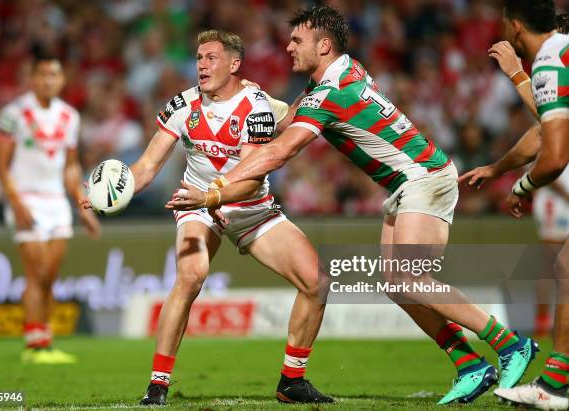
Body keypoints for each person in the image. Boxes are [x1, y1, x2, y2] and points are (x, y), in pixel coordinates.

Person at [169, 6, 539, 405]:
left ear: (323, 45)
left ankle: (510, 344)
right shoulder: (343, 73)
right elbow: (283, 120)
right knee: (400, 287)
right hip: (406, 182)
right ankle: (469, 364)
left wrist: (217, 189)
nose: (289, 47)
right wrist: (247, 98)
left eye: (298, 41)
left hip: (425, 177)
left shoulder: (329, 93)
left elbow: (279, 150)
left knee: (410, 280)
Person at [82, 30, 332, 405]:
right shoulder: (182, 104)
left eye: (211, 58)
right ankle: (158, 384)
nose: (201, 64)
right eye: (199, 57)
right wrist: (115, 191)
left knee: (317, 282)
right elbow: (148, 165)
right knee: (190, 276)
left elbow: (249, 181)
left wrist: (214, 195)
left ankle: (292, 381)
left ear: (234, 65)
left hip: (250, 208)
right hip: (196, 205)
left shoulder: (256, 106)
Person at [460, 2, 568, 409]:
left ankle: (555, 384)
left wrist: (520, 185)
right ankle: (555, 382)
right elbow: (545, 130)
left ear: (517, 27)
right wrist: (497, 167)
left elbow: (552, 151)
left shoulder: (552, 58)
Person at [0, 50, 101, 364]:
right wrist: (16, 202)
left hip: (56, 202)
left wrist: (83, 207)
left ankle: (45, 338)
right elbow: (0, 165)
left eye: (54, 74)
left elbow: (70, 167)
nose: (47, 80)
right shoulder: (13, 114)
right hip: (25, 198)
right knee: (36, 271)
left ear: (62, 79)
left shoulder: (70, 116)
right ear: (31, 78)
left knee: (50, 276)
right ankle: (33, 342)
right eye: (42, 74)